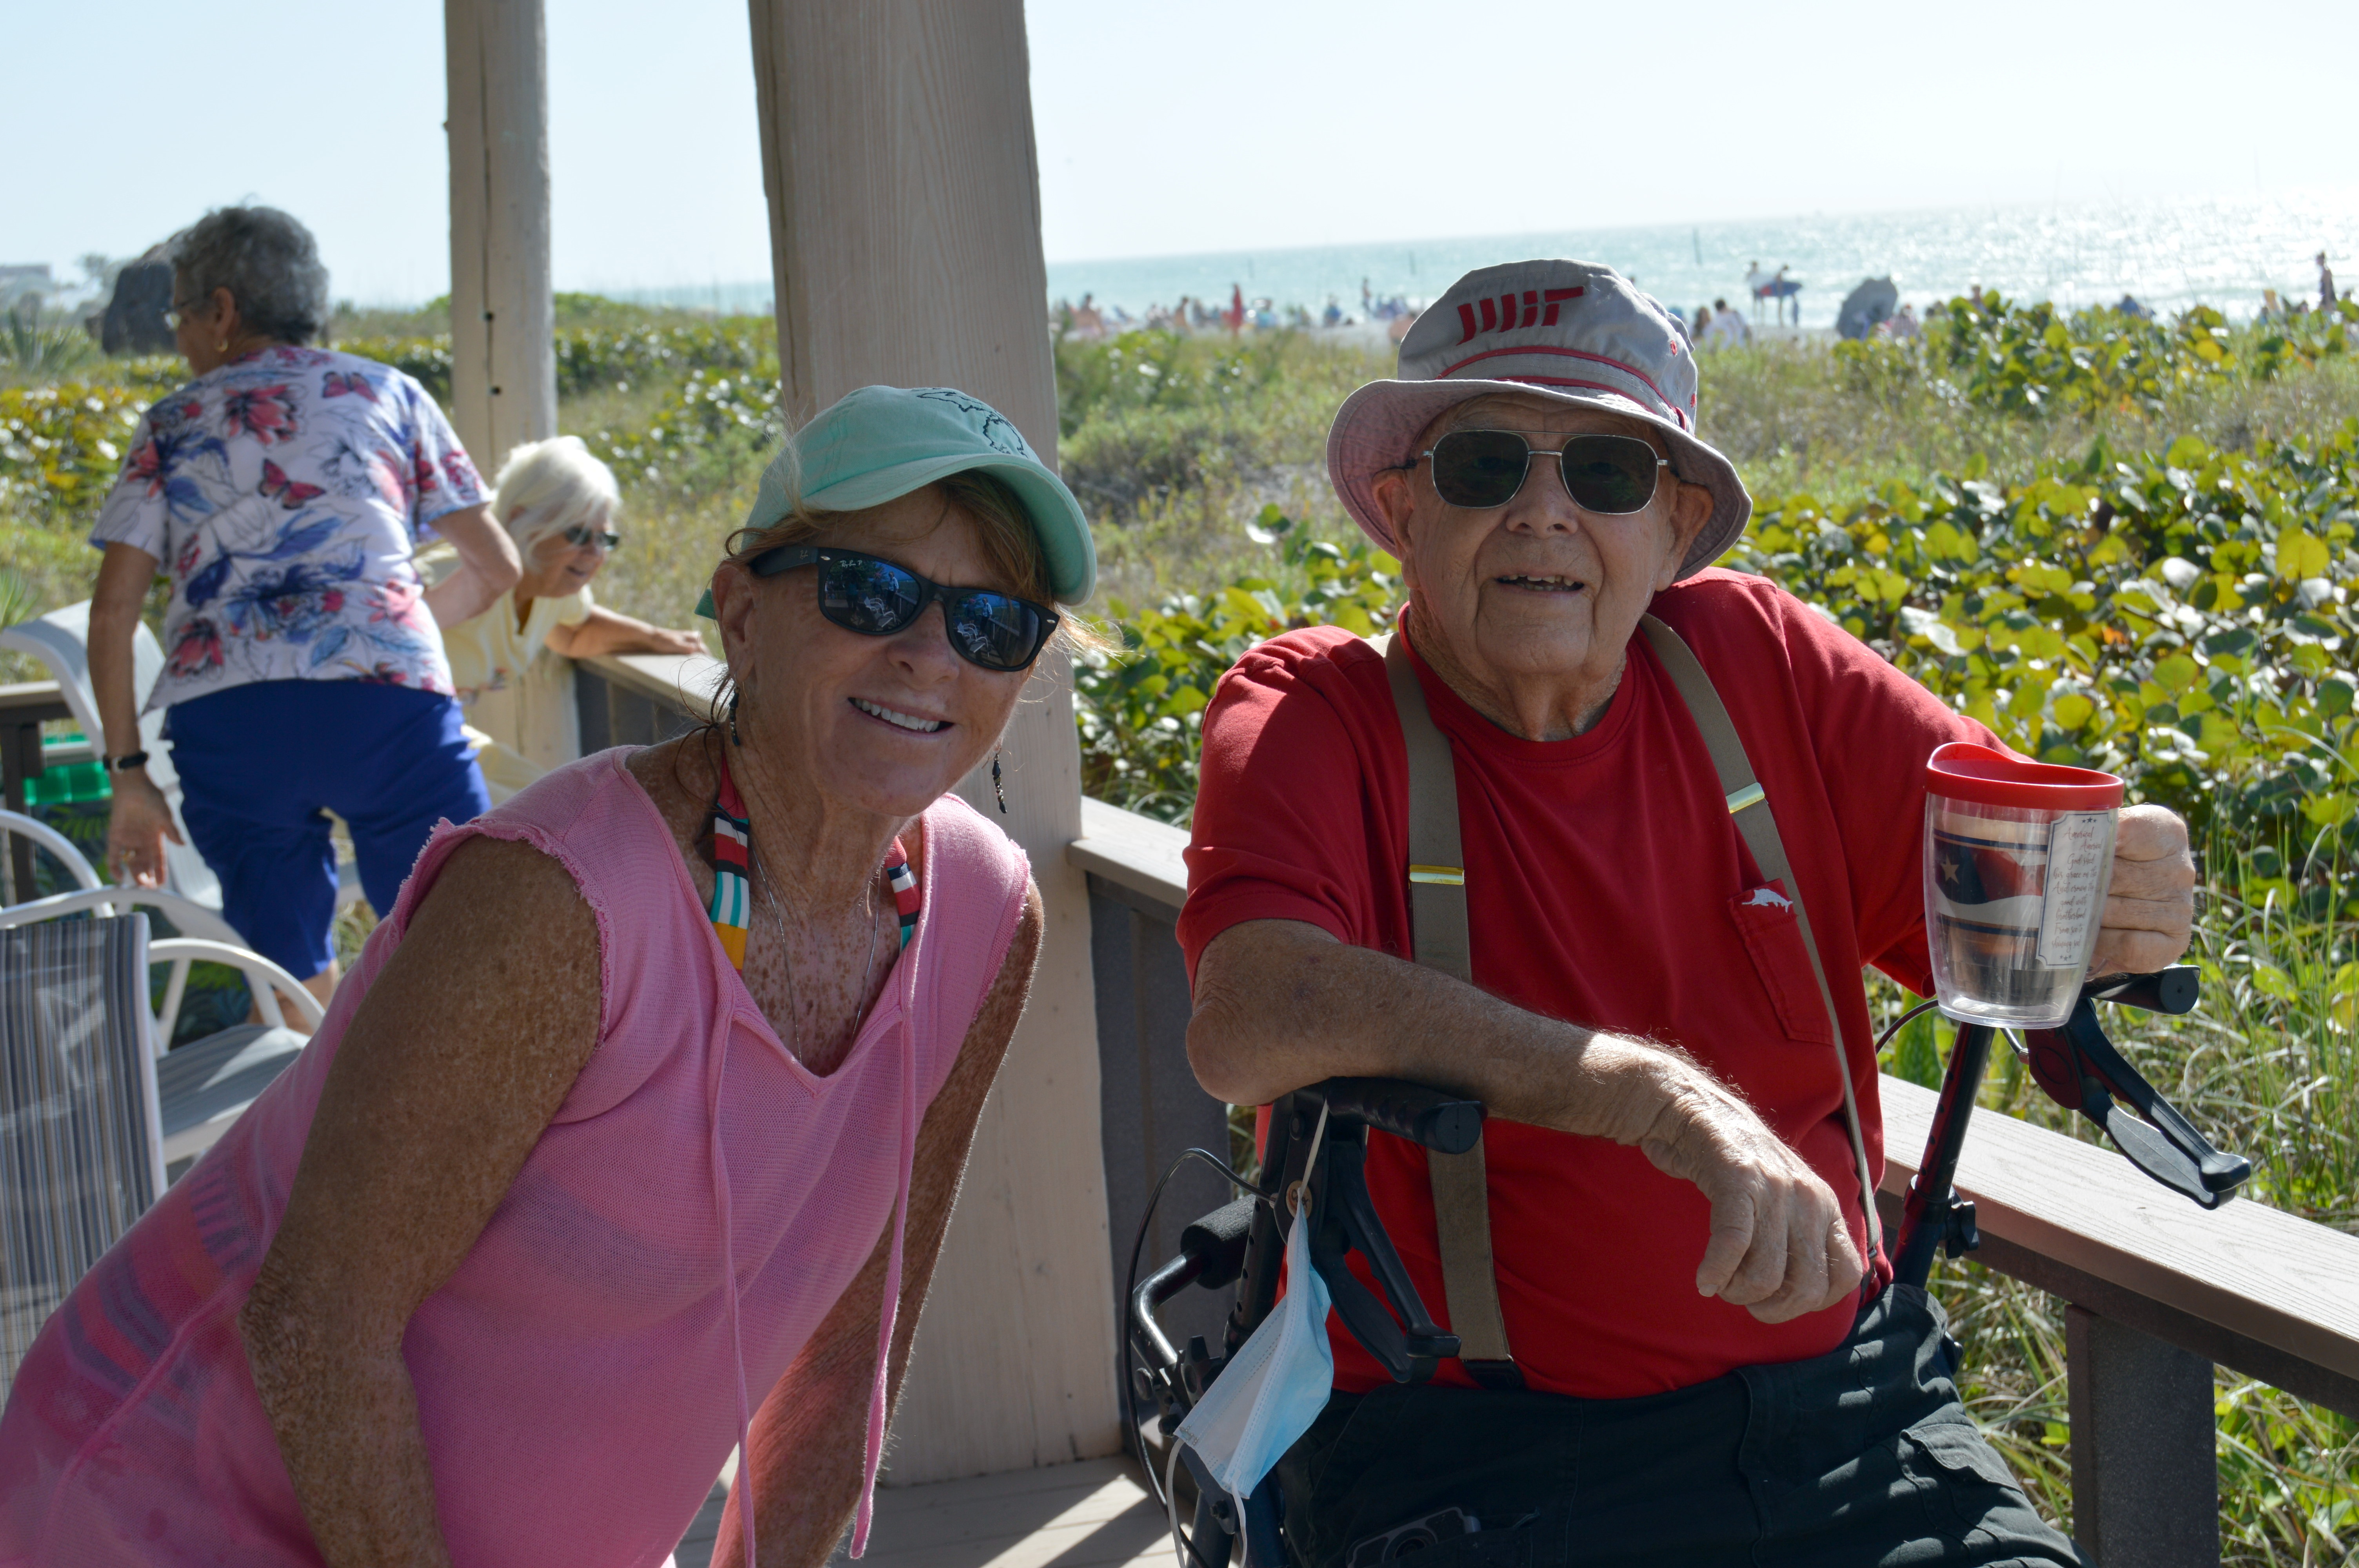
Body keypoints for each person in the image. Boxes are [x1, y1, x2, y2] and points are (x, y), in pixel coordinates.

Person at [1179, 259, 2196, 1566]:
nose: (1542, 512)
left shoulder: (1760, 661)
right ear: (1399, 513)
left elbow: (2007, 882)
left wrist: (2126, 891)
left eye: (1604, 473)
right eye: (1484, 464)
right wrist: (1646, 1096)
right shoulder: (1316, 712)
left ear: (1671, 531)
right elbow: (1252, 1012)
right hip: (1493, 1459)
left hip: (1854, 1414)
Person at [0, 383, 1100, 1568]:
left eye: (994, 622)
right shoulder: (558, 903)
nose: (930, 653)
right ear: (741, 608)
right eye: (871, 590)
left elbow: (854, 1340)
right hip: (169, 1511)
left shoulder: (981, 918)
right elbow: (321, 1324)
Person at [88, 205, 520, 1014]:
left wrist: (128, 774)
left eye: (180, 315)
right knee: (454, 934)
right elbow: (498, 564)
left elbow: (113, 615)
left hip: (229, 721)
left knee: (285, 969)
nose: (181, 337)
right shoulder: (389, 392)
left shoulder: (172, 423)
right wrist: (395, 628)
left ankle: (313, 1094)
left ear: (220, 312)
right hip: (386, 706)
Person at [430, 434, 705, 801]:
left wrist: (654, 637)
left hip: (437, 737)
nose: (594, 554)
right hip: (380, 745)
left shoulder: (552, 588)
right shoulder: (452, 572)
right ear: (518, 521)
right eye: (577, 534)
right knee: (514, 830)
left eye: (605, 539)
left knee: (568, 805)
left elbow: (576, 633)